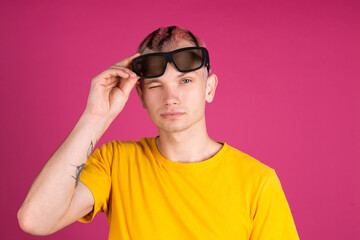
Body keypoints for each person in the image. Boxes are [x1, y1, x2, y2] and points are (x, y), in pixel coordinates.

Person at [18, 26, 300, 239]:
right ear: (140, 95)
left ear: (210, 88)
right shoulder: (116, 162)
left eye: (186, 80)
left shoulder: (258, 181)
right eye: (155, 85)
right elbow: (35, 221)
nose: (171, 97)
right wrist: (96, 116)